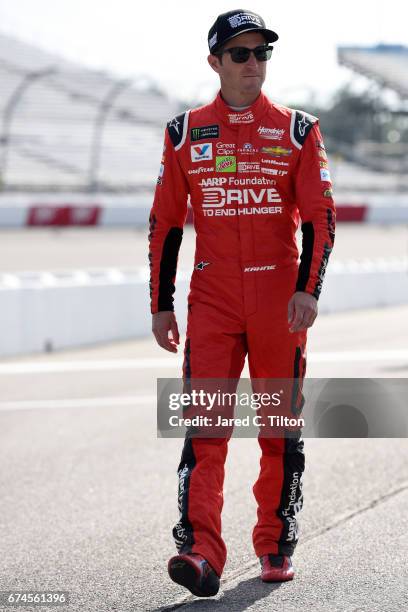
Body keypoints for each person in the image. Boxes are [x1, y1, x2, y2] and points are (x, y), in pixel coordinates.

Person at [149, 8, 335, 598]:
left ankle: (275, 541)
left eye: (262, 53)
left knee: (279, 428)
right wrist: (161, 303)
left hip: (280, 302)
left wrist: (308, 289)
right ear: (216, 62)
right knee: (205, 430)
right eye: (240, 54)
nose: (253, 64)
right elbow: (166, 223)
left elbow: (320, 217)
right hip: (212, 302)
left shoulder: (299, 129)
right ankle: (200, 550)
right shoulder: (183, 132)